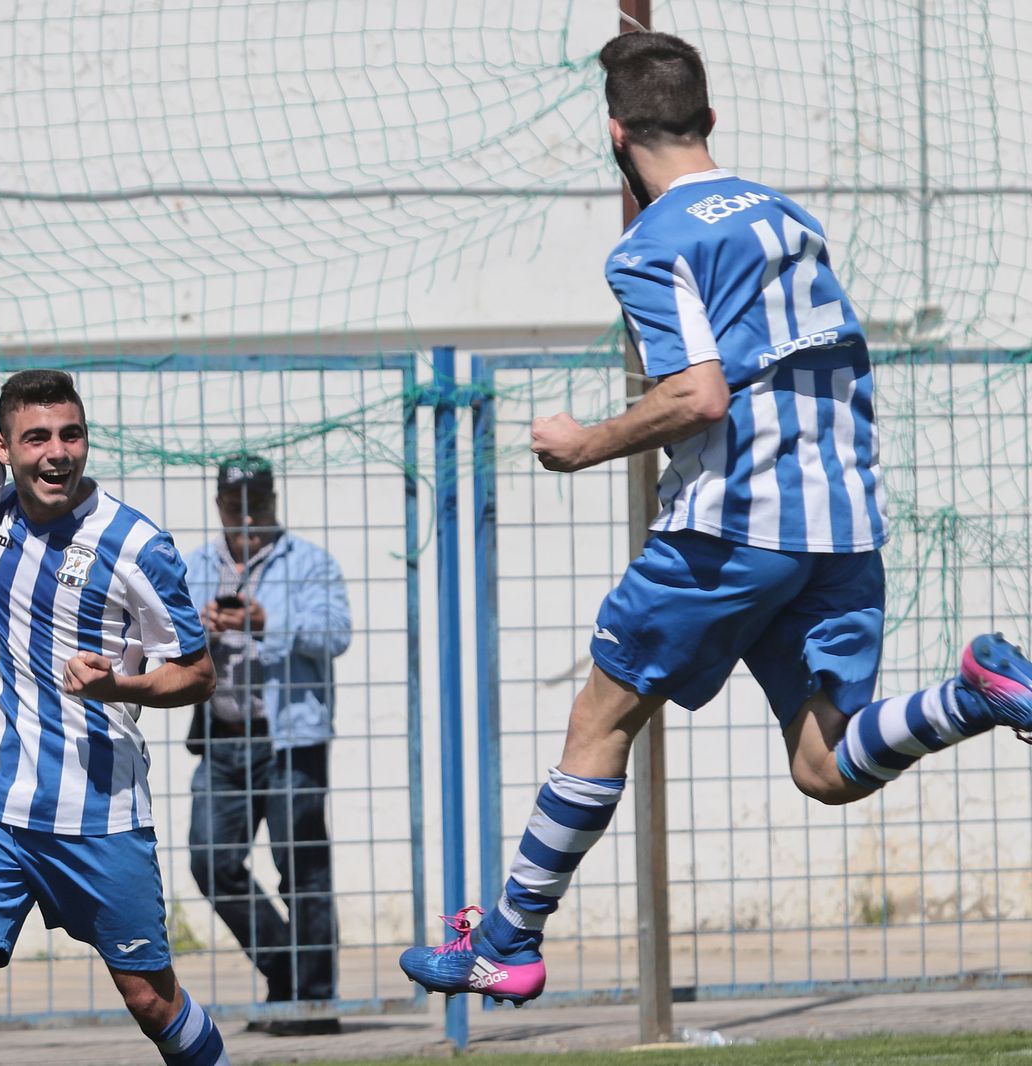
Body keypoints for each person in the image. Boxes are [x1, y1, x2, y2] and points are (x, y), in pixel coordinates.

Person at [398, 30, 1032, 1006]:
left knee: (599, 716)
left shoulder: (653, 243)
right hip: (843, 518)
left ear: (615, 133)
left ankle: (510, 939)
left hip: (732, 525)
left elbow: (697, 396)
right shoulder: (787, 216)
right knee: (825, 763)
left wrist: (583, 442)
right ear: (710, 119)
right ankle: (974, 695)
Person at [0, 207, 232, 1065]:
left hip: (98, 807)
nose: (57, 452)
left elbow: (196, 673)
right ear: (6, 453)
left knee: (150, 997)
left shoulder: (136, 544)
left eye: (71, 434)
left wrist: (121, 686)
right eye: (37, 437)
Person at [182, 454, 351, 1035]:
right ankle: (289, 975)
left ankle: (314, 1003)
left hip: (289, 739)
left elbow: (336, 635)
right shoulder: (196, 564)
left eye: (259, 504)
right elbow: (162, 637)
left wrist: (264, 622)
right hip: (221, 739)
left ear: (275, 500)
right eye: (236, 506)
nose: (248, 516)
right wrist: (199, 630)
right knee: (211, 862)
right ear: (219, 505)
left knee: (301, 868)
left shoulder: (310, 563)